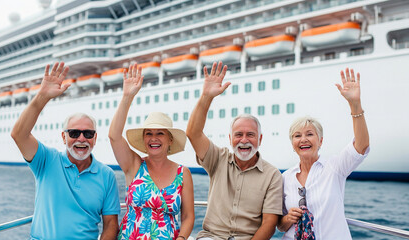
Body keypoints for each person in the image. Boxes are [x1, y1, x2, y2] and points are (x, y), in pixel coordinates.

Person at [11, 62, 120, 240]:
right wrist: (43, 96)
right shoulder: (46, 161)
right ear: (63, 137)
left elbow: (110, 224)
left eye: (88, 133)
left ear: (95, 137)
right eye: (74, 133)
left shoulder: (106, 175)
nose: (81, 139)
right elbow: (19, 134)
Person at [186, 61, 283, 240]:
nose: (244, 140)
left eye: (250, 135)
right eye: (238, 134)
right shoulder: (217, 159)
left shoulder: (272, 175)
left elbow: (269, 223)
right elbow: (193, 133)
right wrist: (206, 97)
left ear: (260, 139)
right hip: (211, 237)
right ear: (230, 139)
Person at [277, 68, 370, 239]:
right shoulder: (285, 178)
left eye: (310, 134)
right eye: (297, 136)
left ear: (320, 141)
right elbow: (281, 225)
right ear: (293, 144)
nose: (303, 139)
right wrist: (288, 218)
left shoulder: (335, 167)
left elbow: (362, 146)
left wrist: (355, 105)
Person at [108, 64, 195, 240]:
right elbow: (114, 136)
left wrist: (182, 238)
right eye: (149, 133)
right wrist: (127, 97)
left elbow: (188, 217)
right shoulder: (134, 165)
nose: (153, 138)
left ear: (170, 139)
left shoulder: (183, 173)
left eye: (160, 133)